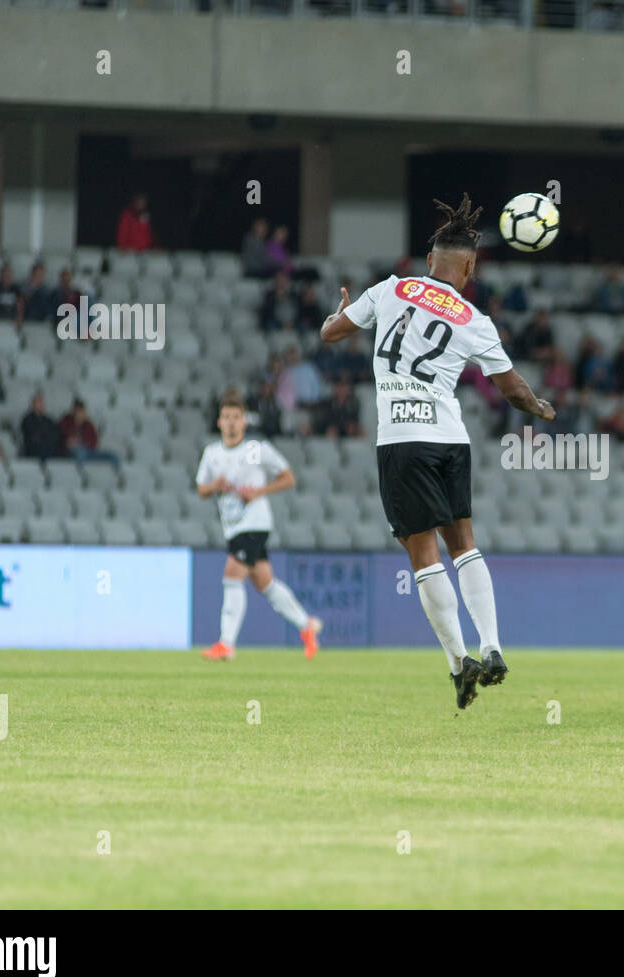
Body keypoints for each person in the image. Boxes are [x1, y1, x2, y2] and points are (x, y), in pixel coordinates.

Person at [320, 193, 556, 710]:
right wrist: (540, 408)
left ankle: (458, 660)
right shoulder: (474, 318)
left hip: (402, 440)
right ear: (468, 267)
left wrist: (337, 313)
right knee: (464, 544)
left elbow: (331, 334)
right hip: (451, 438)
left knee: (421, 554)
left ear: (430, 260)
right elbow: (513, 391)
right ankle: (492, 646)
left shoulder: (389, 289)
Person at [196, 390, 323, 661]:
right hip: (231, 526)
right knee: (265, 583)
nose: (230, 422)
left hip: (255, 522)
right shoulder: (211, 453)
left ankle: (226, 644)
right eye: (226, 417)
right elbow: (201, 489)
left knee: (231, 575)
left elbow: (288, 477)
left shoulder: (256, 450)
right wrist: (214, 487)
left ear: (244, 422)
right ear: (219, 422)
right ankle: (307, 626)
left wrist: (258, 492)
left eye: (236, 417)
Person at [58, 398, 120, 468]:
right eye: (76, 411)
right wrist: (76, 424)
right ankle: (80, 475)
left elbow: (94, 441)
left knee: (113, 455)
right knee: (80, 452)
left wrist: (82, 441)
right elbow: (62, 437)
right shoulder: (65, 421)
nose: (78, 413)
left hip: (88, 451)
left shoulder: (88, 424)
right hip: (71, 452)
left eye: (80, 411)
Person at [20, 392, 60, 460]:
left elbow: (54, 434)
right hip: (34, 448)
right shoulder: (27, 419)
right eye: (38, 403)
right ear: (32, 405)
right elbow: (31, 435)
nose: (41, 405)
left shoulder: (49, 420)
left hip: (48, 448)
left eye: (42, 403)